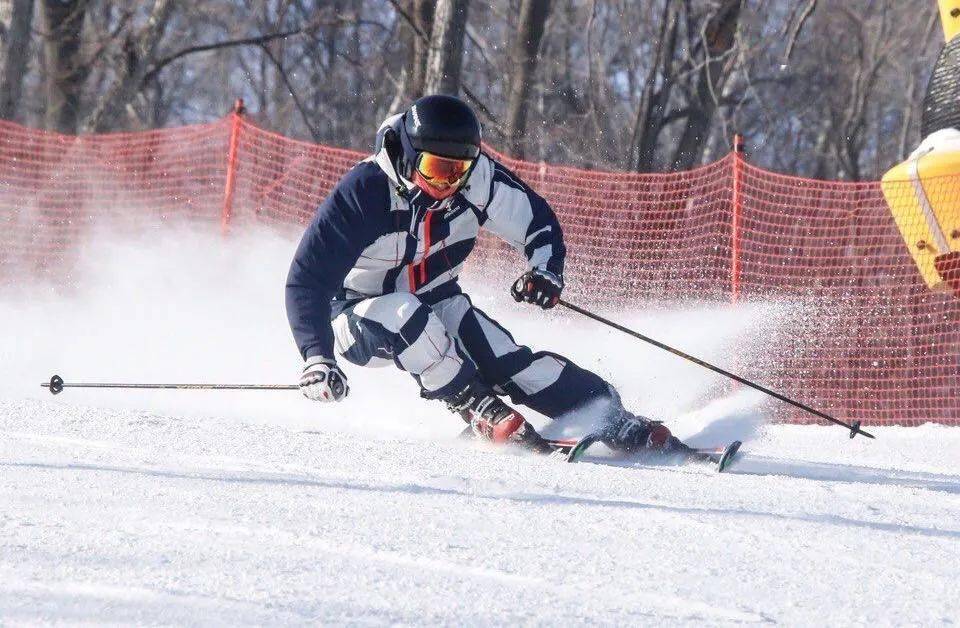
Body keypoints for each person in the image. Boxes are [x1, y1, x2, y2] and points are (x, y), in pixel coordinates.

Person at [285, 94, 681, 455]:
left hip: (436, 297)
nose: (448, 184)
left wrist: (545, 272)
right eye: (437, 169)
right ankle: (474, 404)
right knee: (405, 314)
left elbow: (536, 221)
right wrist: (317, 358)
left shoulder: (476, 180)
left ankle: (609, 416)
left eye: (458, 171)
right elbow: (308, 279)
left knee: (507, 363)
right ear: (408, 155)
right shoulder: (365, 191)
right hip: (356, 314)